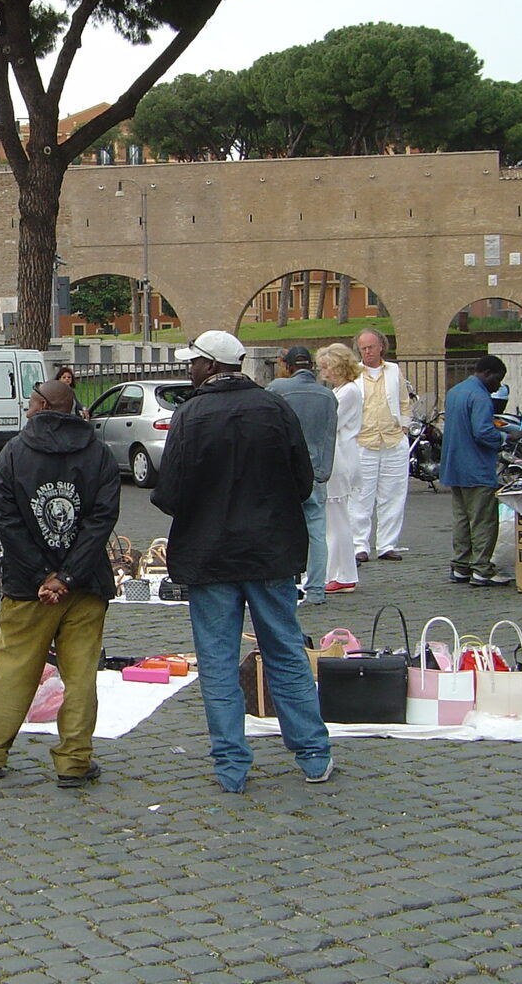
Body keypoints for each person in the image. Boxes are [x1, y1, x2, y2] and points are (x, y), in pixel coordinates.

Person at [151, 330, 333, 794]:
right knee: (285, 652)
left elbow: (169, 493)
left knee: (217, 661)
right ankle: (313, 753)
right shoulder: (274, 408)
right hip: (270, 551)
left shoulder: (190, 415)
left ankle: (231, 764)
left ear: (211, 366)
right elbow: (303, 482)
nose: (188, 369)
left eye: (193, 362)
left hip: (210, 555)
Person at [0, 377, 119, 788]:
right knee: (81, 675)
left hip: (28, 587)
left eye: (31, 402)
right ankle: (74, 760)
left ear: (44, 406)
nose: (27, 408)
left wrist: (42, 576)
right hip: (84, 585)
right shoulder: (98, 452)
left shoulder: (15, 452)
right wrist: (68, 576)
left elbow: (7, 520)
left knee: (14, 669)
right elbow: (101, 521)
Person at [267, 347, 337, 605]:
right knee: (317, 532)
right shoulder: (327, 396)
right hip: (315, 471)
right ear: (312, 366)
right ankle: (316, 589)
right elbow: (330, 437)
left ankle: (282, 586)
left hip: (282, 472)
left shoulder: (277, 389)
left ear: (287, 366)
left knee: (280, 530)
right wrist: (323, 472)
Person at [442, 355, 513, 587]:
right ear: (488, 373)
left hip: (455, 466)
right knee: (483, 520)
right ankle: (482, 570)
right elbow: (482, 432)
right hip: (477, 467)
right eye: (497, 379)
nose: (497, 386)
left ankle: (460, 566)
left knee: (462, 519)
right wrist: (505, 438)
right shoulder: (481, 397)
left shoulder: (455, 392)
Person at [350, 329, 414, 563]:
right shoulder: (354, 373)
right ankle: (359, 544)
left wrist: (404, 426)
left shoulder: (394, 370)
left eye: (370, 347)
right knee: (361, 496)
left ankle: (387, 544)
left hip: (392, 439)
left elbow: (404, 401)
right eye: (363, 348)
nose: (367, 352)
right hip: (363, 441)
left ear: (381, 347)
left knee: (393, 495)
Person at [316, 343, 364, 596]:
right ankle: (334, 571)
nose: (322, 372)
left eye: (326, 367)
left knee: (337, 518)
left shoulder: (348, 393)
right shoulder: (340, 391)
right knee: (332, 519)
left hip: (340, 456)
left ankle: (342, 573)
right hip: (338, 454)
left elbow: (330, 422)